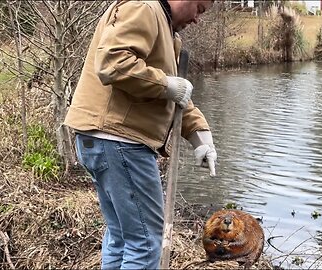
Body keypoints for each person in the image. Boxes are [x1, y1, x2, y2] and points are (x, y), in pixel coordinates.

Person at [63, 0, 217, 269]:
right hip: (120, 140)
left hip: (102, 139)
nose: (197, 20)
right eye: (200, 9)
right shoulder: (144, 7)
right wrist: (166, 84)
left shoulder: (163, 25)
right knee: (145, 243)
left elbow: (176, 96)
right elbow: (113, 63)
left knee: (123, 238)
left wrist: (200, 138)